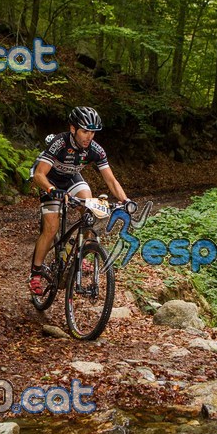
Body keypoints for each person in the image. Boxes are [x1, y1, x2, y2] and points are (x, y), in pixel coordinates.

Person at [29, 106, 131, 295]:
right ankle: (36, 272)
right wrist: (52, 190)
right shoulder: (59, 143)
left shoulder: (95, 150)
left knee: (89, 204)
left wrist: (125, 200)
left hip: (71, 179)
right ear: (73, 129)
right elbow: (39, 174)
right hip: (49, 180)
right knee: (51, 227)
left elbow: (110, 179)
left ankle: (80, 250)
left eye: (92, 132)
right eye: (85, 131)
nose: (89, 136)